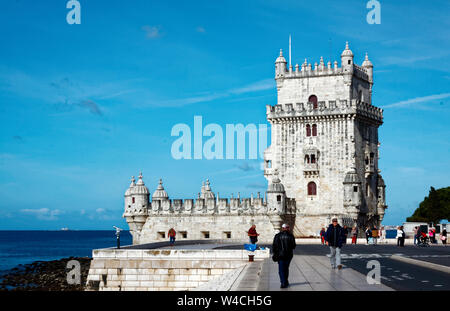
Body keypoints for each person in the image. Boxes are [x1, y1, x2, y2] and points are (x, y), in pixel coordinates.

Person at [272, 224, 296, 288]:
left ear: (282, 228)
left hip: (280, 255)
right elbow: (293, 246)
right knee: (286, 268)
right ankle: (285, 281)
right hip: (289, 255)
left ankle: (283, 282)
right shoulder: (291, 236)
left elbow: (274, 246)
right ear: (287, 228)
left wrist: (275, 253)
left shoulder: (277, 236)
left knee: (281, 269)